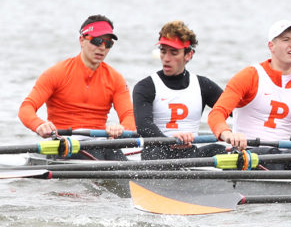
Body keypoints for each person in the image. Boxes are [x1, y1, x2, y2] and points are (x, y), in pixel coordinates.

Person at [19, 15, 135, 160]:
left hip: (98, 144)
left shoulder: (115, 78)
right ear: (82, 40)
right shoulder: (57, 73)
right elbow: (26, 108)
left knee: (121, 164)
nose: (102, 48)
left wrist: (121, 128)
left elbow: (130, 116)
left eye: (108, 44)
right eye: (97, 41)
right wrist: (39, 125)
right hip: (64, 144)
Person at [207, 20, 291, 169]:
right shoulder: (250, 76)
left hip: (284, 155)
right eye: (286, 40)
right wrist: (227, 134)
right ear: (271, 46)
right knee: (274, 156)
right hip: (248, 153)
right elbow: (216, 113)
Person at [131, 21, 226, 161]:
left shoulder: (203, 85)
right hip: (157, 154)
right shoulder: (145, 86)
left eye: (174, 53)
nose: (166, 59)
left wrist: (230, 134)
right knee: (157, 152)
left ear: (188, 55)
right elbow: (144, 126)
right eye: (163, 51)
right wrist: (170, 141)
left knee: (221, 150)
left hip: (189, 153)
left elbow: (234, 110)